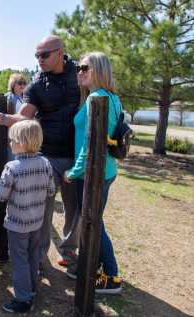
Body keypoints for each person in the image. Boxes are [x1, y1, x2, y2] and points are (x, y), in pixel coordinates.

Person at [0, 35, 80, 268]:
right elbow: (24, 116)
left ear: (60, 53)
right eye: (37, 55)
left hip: (75, 156)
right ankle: (38, 257)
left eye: (44, 55)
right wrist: (0, 118)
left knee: (74, 208)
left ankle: (69, 252)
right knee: (42, 210)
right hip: (46, 156)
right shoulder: (38, 83)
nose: (39, 59)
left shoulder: (79, 73)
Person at [63, 52, 122, 294]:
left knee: (94, 222)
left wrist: (74, 172)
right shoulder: (111, 97)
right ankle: (93, 265)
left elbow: (91, 143)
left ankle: (111, 277)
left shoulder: (96, 98)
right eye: (78, 67)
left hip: (92, 173)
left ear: (97, 70)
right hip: (104, 170)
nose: (79, 71)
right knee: (93, 220)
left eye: (84, 68)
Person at [0, 119, 55, 313]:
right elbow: (51, 190)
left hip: (17, 224)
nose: (10, 144)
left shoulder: (12, 168)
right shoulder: (46, 163)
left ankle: (22, 300)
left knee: (19, 260)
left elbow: (1, 195)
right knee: (32, 256)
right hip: (37, 222)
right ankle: (30, 290)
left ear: (21, 142)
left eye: (12, 140)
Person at [5, 73, 28, 161]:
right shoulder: (9, 97)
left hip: (23, 135)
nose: (22, 85)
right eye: (19, 83)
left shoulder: (25, 98)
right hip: (12, 135)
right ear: (13, 84)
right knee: (12, 160)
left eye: (24, 83)